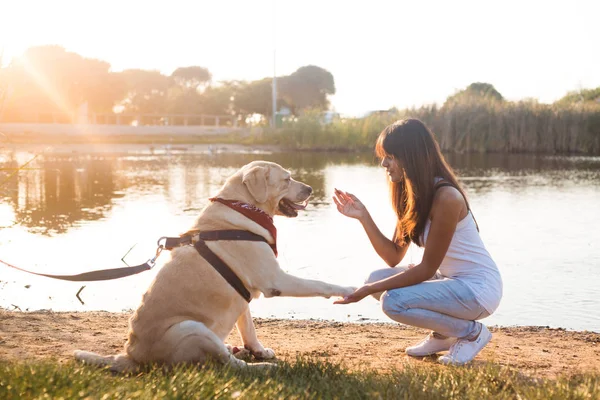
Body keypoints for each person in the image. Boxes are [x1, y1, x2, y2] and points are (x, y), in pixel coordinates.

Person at [332, 118, 502, 365]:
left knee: (392, 301)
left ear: (410, 155)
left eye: (389, 156)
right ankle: (444, 334)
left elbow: (426, 269)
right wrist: (363, 216)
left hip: (478, 290)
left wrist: (368, 292)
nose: (384, 163)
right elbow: (393, 256)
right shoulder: (410, 192)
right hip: (449, 281)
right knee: (374, 279)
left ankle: (470, 333)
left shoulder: (446, 197)